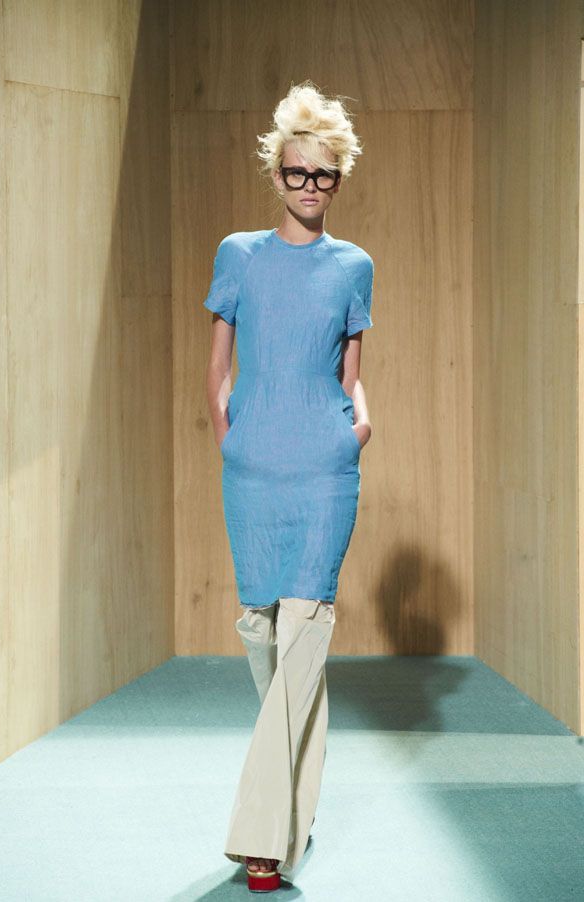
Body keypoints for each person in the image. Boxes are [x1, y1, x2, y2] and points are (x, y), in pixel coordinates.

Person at [203, 80, 374, 891]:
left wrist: (358, 427)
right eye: (298, 172)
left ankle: (259, 837)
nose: (310, 185)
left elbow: (351, 373)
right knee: (267, 635)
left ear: (338, 180)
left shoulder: (353, 266)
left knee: (307, 627)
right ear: (277, 175)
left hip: (324, 470)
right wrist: (230, 442)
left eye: (323, 174)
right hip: (253, 470)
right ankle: (294, 806)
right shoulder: (238, 254)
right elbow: (217, 370)